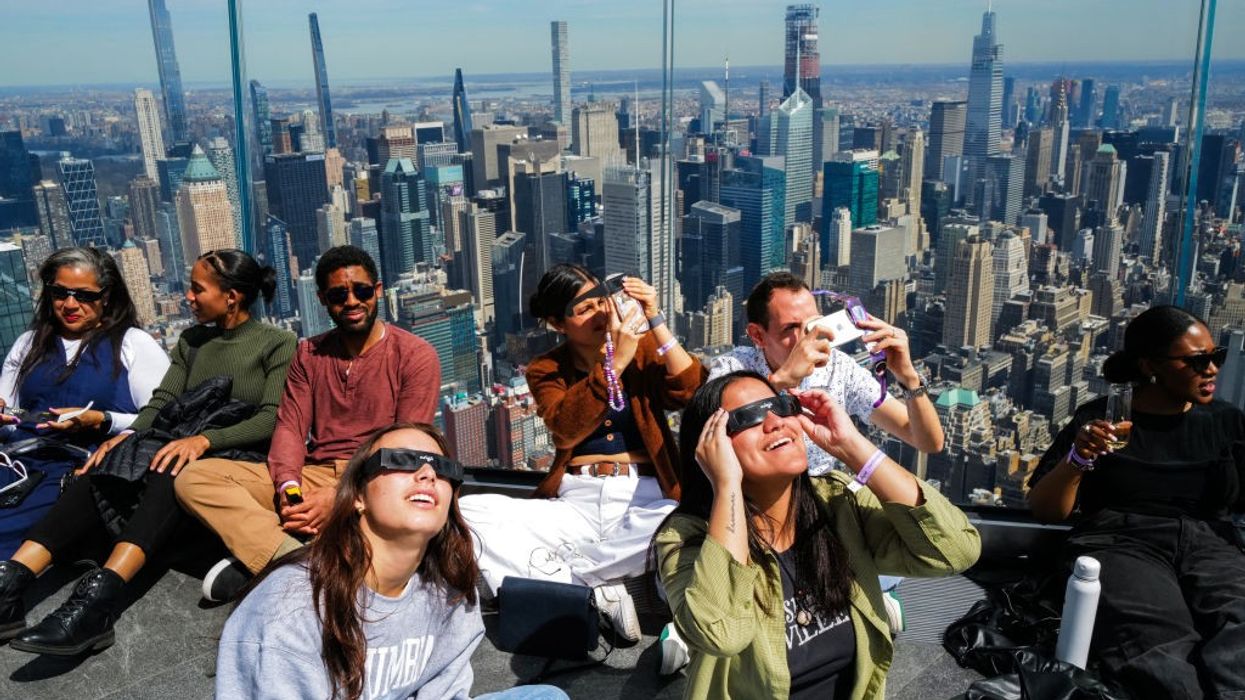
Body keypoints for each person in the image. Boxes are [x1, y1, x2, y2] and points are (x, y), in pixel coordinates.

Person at [0, 249, 295, 655]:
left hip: (237, 456)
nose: (187, 297)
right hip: (184, 444)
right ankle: (12, 583)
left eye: (196, 289)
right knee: (104, 463)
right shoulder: (192, 341)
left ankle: (97, 603)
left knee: (170, 468)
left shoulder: (277, 343)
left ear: (232, 296)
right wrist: (125, 435)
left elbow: (271, 418)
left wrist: (205, 441)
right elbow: (162, 401)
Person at [654, 371, 979, 699]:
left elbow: (955, 549)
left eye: (781, 406)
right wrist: (726, 485)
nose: (775, 421)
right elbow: (721, 634)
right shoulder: (683, 540)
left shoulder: (836, 504)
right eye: (748, 417)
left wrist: (852, 447)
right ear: (711, 446)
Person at [217, 422, 568, 700]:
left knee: (547, 697)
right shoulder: (291, 609)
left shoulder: (450, 590)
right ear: (357, 495)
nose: (428, 475)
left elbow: (443, 692)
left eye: (443, 468)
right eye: (401, 460)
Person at [175, 245, 441, 603]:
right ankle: (299, 561)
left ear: (377, 291)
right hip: (313, 473)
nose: (351, 301)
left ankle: (273, 551)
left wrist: (339, 495)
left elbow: (405, 447)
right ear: (322, 300)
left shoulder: (415, 356)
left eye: (361, 291)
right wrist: (290, 488)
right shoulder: (308, 354)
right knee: (195, 479)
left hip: (378, 478)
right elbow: (290, 427)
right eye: (338, 294)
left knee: (392, 510)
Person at [459, 263, 704, 642]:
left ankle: (575, 579)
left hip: (644, 498)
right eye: (583, 309)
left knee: (690, 523)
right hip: (576, 498)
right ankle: (600, 580)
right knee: (469, 512)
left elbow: (689, 391)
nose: (600, 312)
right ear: (558, 324)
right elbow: (565, 428)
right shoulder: (546, 369)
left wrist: (654, 317)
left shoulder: (641, 349)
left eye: (599, 300)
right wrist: (613, 364)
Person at [1028, 306, 1245, 699]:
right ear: (1150, 366)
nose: (1211, 369)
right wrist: (1079, 457)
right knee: (1158, 644)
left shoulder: (1227, 422)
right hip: (1121, 542)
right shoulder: (1102, 421)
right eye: (1197, 361)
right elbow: (1045, 510)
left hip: (1213, 544)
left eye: (1216, 358)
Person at [0, 248, 169, 557]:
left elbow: (163, 420)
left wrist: (103, 420)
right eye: (60, 293)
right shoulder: (29, 344)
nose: (70, 304)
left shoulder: (133, 344)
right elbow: (8, 417)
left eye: (84, 295)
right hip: (18, 464)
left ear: (107, 296)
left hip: (78, 473)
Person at [708, 272, 943, 476]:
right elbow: (705, 432)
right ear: (758, 336)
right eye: (791, 328)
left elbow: (927, 441)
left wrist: (909, 378)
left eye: (813, 325)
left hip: (819, 499)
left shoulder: (840, 370)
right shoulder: (732, 368)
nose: (807, 339)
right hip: (752, 497)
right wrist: (780, 382)